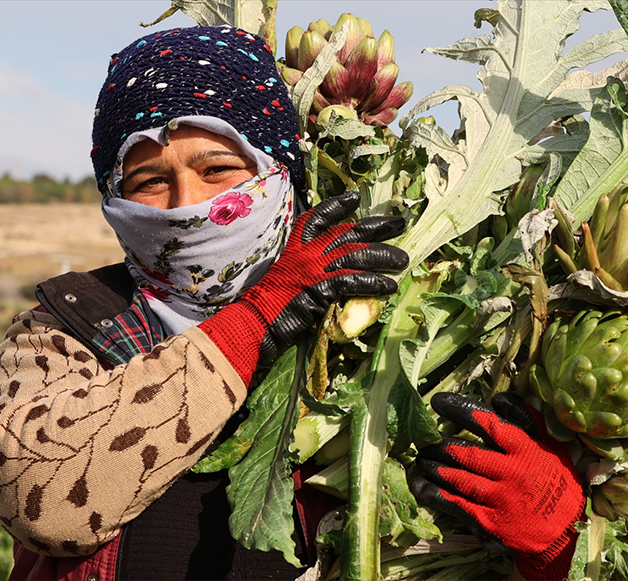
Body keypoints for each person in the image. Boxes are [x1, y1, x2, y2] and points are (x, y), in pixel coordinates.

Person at [0, 24, 584, 581]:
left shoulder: (406, 336)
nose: (186, 204)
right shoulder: (66, 327)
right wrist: (253, 320)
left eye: (219, 169)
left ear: (284, 173)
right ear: (113, 197)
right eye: (149, 181)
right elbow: (45, 501)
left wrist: (555, 554)